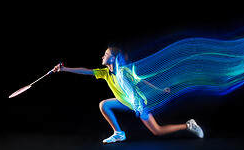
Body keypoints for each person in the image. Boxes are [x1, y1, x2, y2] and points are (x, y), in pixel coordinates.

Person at [53, 47, 204, 144]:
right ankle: (119, 133)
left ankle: (188, 125)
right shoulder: (105, 73)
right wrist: (64, 69)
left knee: (157, 131)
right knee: (104, 104)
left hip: (137, 103)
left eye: (105, 54)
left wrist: (160, 90)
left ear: (113, 58)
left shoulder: (125, 71)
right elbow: (85, 70)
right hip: (123, 101)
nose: (102, 56)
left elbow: (142, 82)